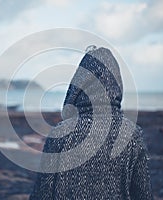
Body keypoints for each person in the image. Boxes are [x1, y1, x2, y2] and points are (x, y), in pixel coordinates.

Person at [30, 47, 153, 200]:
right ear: (116, 85)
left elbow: (41, 195)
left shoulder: (60, 134)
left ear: (79, 85)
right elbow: (143, 195)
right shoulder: (132, 135)